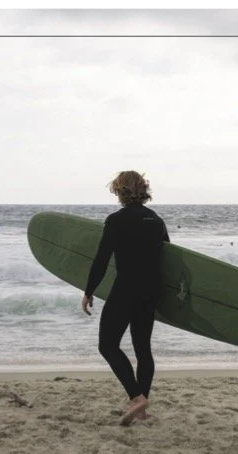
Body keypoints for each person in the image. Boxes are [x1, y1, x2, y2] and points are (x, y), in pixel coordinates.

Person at [82, 171, 169, 425]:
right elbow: (169, 260)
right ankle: (141, 409)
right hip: (151, 292)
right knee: (143, 349)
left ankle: (136, 397)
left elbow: (101, 260)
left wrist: (88, 291)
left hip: (126, 290)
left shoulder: (116, 220)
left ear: (120, 192)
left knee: (107, 345)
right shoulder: (156, 220)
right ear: (142, 190)